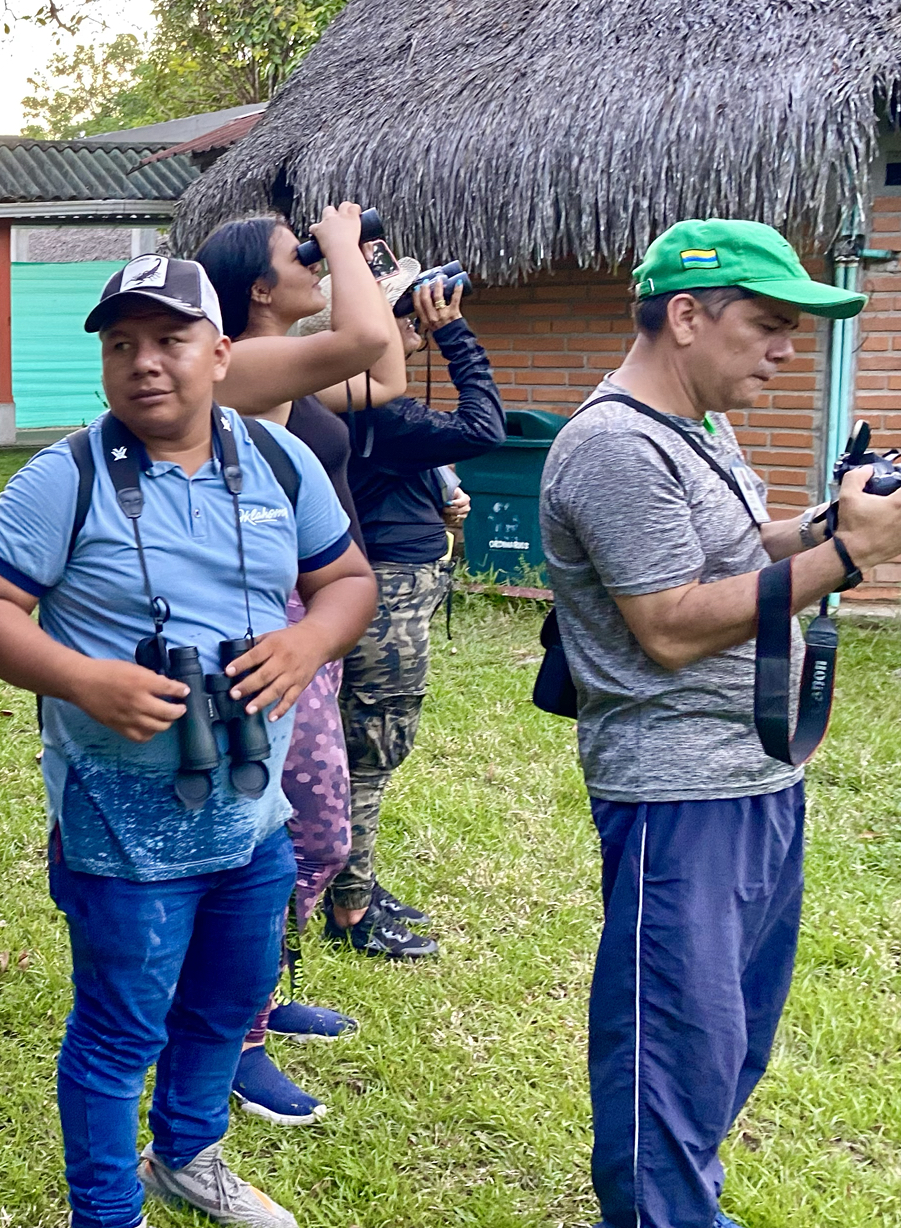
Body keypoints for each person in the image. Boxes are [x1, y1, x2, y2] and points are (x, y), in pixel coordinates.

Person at [0, 255, 376, 1228]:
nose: (144, 362)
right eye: (121, 345)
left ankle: (187, 1157)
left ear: (220, 353)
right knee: (117, 1034)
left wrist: (308, 639)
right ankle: (106, 1213)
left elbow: (347, 580)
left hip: (253, 813)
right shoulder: (62, 478)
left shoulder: (279, 460)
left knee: (227, 1005)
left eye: (169, 340)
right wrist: (81, 679)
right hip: (119, 829)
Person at [538, 218, 901, 1228]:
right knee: (669, 1047)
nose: (786, 350)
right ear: (688, 316)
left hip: (753, 774)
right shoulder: (613, 446)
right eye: (769, 325)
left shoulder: (695, 427)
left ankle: (680, 1201)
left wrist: (833, 521)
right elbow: (667, 625)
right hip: (676, 792)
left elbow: (737, 552)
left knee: (725, 1039)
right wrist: (850, 558)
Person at [192, 203, 412, 1122]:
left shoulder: (288, 365)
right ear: (256, 287)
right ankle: (232, 1037)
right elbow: (364, 339)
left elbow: (387, 372)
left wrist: (360, 270)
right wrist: (345, 238)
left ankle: (257, 998)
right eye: (302, 256)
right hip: (258, 620)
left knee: (289, 833)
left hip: (307, 613)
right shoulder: (233, 364)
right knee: (305, 833)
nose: (317, 263)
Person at [329, 277, 504, 952]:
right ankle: (350, 908)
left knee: (367, 745)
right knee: (372, 749)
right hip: (387, 591)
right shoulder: (371, 405)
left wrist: (439, 495)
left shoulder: (361, 401)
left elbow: (406, 464)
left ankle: (353, 882)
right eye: (399, 312)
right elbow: (483, 428)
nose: (414, 323)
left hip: (395, 583)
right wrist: (456, 337)